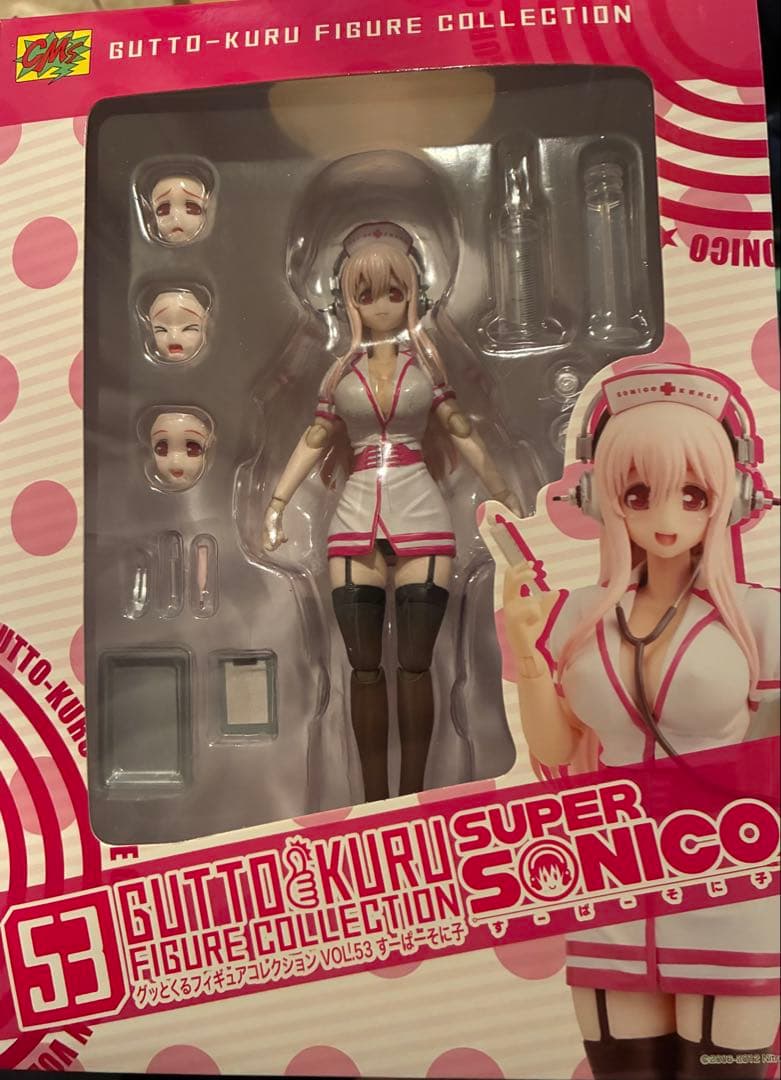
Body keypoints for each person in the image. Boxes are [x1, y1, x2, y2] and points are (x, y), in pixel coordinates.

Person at [498, 363, 779, 1080]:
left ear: (734, 498)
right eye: (636, 493)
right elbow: (556, 750)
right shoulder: (574, 616)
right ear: (598, 499)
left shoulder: (761, 619)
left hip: (726, 879)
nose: (665, 517)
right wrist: (529, 658)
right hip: (611, 879)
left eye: (694, 495)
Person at [262, 221, 518, 800]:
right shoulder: (340, 374)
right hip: (355, 514)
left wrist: (505, 492)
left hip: (422, 510)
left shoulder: (427, 371)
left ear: (414, 297)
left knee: (417, 663)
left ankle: (416, 795)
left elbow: (461, 429)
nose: (380, 305)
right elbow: (315, 437)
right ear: (347, 302)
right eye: (366, 294)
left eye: (394, 292)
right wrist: (277, 503)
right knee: (362, 666)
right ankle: (374, 798)